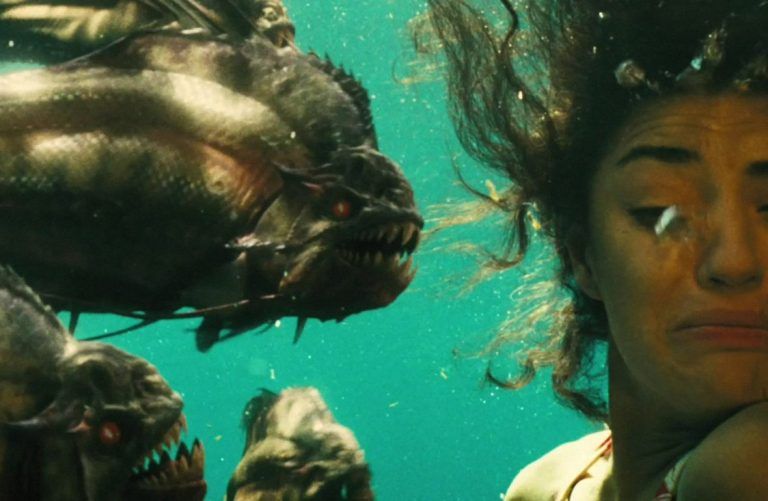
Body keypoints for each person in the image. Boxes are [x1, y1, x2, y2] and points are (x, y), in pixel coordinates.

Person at [425, 0, 768, 499]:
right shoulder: (545, 485)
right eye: (661, 209)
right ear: (582, 256)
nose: (735, 261)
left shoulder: (744, 471)